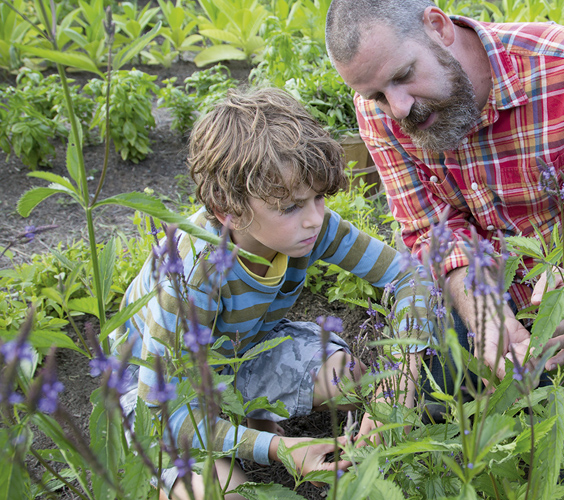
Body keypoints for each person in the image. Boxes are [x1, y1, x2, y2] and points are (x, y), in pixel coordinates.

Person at [114, 87, 435, 499]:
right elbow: (163, 412)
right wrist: (281, 450)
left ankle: (246, 421)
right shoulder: (193, 273)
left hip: (242, 355)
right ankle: (234, 441)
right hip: (154, 397)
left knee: (352, 381)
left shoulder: (310, 227)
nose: (315, 219)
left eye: (318, 198)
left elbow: (411, 277)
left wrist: (400, 377)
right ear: (226, 209)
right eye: (290, 208)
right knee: (224, 493)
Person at [325, 0, 564, 381]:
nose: (399, 108)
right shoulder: (379, 112)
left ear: (438, 27)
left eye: (404, 75)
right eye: (377, 96)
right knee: (440, 402)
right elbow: (429, 228)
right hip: (477, 289)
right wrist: (481, 310)